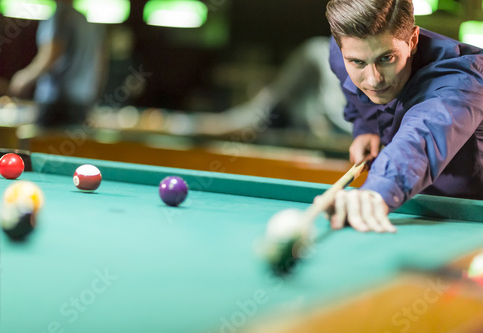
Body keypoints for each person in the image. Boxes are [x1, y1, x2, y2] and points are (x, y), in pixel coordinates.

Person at [323, 0, 483, 233]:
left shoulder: (462, 78)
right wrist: (365, 129)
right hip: (405, 210)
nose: (373, 79)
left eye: (386, 58)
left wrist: (375, 191)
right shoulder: (342, 53)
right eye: (357, 62)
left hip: (470, 218)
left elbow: (421, 137)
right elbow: (358, 101)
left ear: (413, 41)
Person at [167, 37, 352, 139]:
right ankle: (183, 124)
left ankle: (184, 124)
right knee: (242, 119)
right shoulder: (319, 51)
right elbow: (334, 108)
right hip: (276, 115)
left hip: (295, 123)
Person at [8, 0, 105, 128]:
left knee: (42, 146)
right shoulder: (87, 21)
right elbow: (100, 63)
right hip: (82, 102)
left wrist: (23, 79)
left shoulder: (60, 14)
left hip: (56, 104)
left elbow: (51, 56)